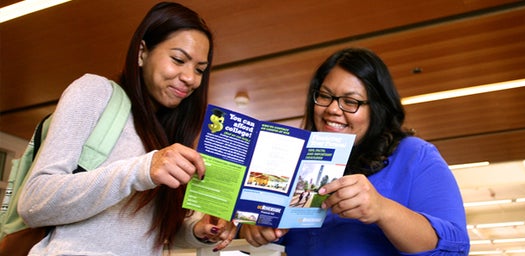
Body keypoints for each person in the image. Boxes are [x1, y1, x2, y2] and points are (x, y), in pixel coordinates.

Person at [17, 2, 237, 255]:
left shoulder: (170, 135)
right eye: (178, 59)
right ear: (142, 53)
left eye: (200, 69)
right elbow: (34, 202)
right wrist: (142, 169)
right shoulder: (95, 92)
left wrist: (198, 230)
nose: (190, 78)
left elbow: (141, 232)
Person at [240, 48, 470, 255]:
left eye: (351, 102)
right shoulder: (295, 159)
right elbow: (250, 227)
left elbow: (455, 247)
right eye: (325, 96)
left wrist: (382, 209)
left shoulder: (414, 155)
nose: (332, 109)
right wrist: (254, 228)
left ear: (377, 108)